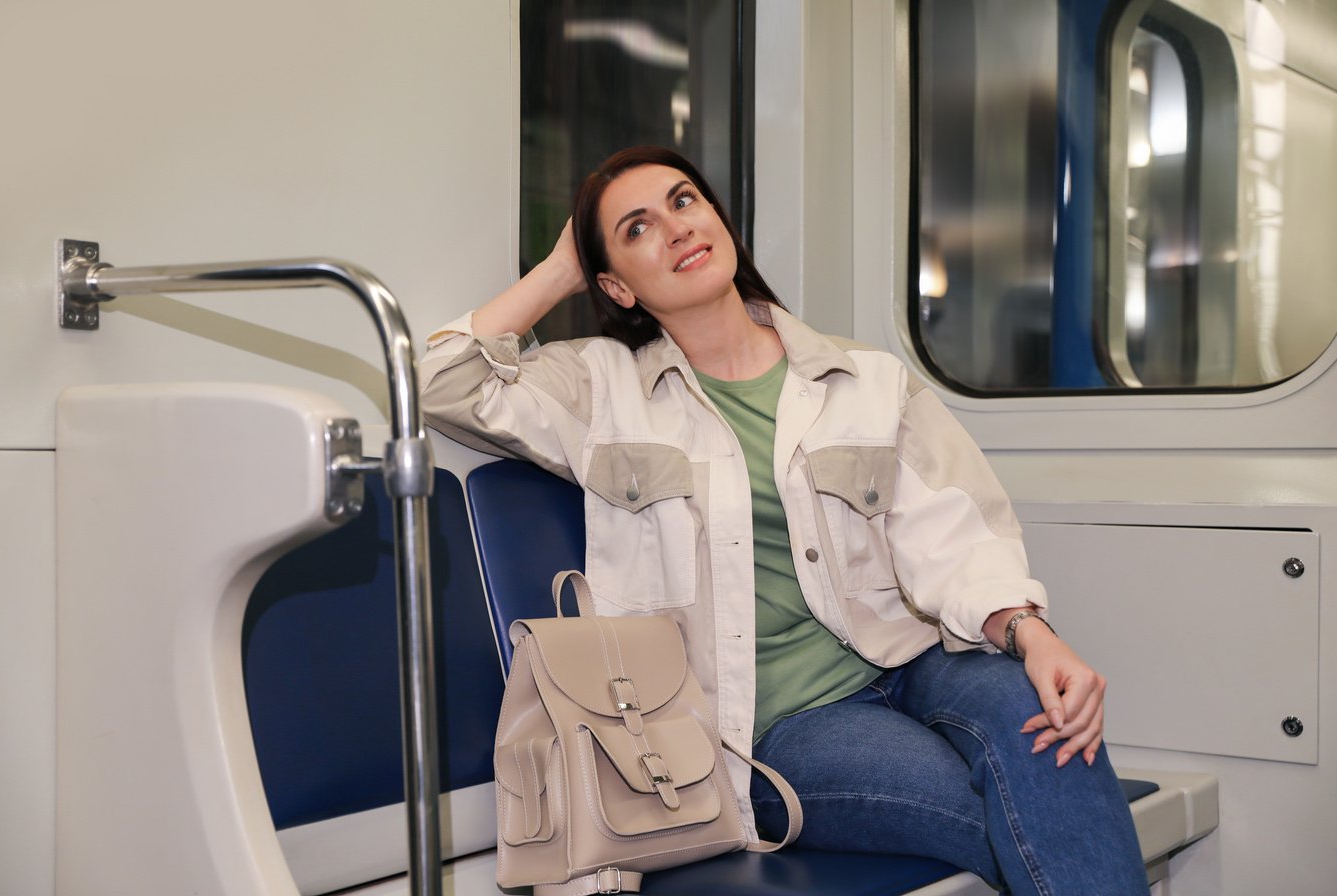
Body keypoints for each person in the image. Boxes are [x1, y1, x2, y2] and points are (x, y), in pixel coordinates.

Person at [419, 146, 1149, 895]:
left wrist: (1033, 636)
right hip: (776, 725)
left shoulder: (867, 381)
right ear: (615, 284)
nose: (675, 229)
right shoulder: (601, 389)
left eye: (683, 201)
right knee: (1003, 805)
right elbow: (441, 381)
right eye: (636, 230)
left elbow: (953, 535)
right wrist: (562, 269)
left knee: (1046, 732)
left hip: (913, 659)